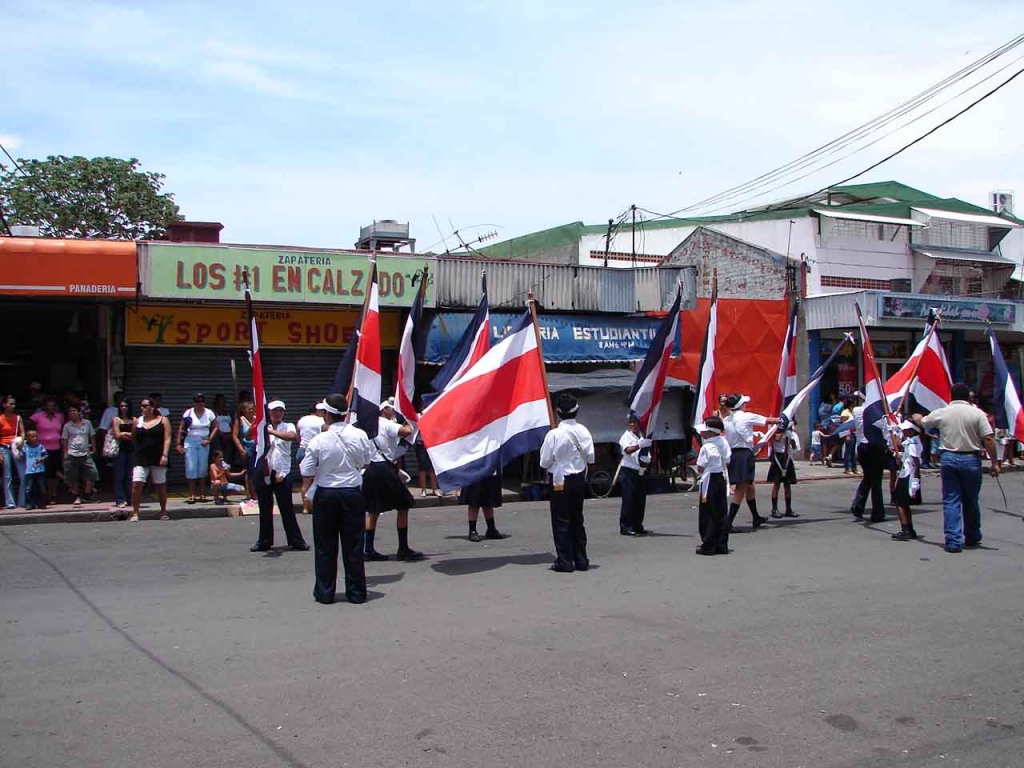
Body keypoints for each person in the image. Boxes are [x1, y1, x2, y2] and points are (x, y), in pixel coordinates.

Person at [300, 394, 374, 605]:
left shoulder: (319, 439)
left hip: (327, 494)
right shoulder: (359, 434)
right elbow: (367, 461)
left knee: (325, 545)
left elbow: (306, 469)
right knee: (353, 545)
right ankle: (357, 593)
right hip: (352, 492)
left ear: (327, 415)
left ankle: (325, 593)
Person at [916, 383, 999, 553]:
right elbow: (989, 438)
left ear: (951, 396)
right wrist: (994, 462)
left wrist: (917, 417)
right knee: (971, 500)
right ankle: (972, 535)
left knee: (951, 500)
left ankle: (953, 541)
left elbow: (924, 422)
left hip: (949, 459)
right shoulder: (977, 413)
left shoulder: (944, 412)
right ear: (968, 396)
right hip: (971, 459)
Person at [539, 394, 595, 573]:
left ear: (558, 413)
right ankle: (581, 559)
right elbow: (591, 458)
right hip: (578, 477)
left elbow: (544, 462)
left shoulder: (553, 434)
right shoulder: (584, 431)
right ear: (577, 411)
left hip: (559, 479)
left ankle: (565, 561)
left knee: (561, 520)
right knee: (577, 518)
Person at [362, 397, 420, 561]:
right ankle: (403, 548)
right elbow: (407, 432)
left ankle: (368, 549)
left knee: (373, 510)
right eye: (389, 408)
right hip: (384, 468)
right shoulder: (385, 423)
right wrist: (411, 422)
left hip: (371, 468)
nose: (392, 411)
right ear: (381, 410)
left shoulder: (365, 424)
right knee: (404, 505)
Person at [250, 400, 308, 552]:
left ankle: (296, 540)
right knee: (264, 507)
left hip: (283, 471)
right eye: (274, 410)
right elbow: (248, 434)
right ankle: (264, 541)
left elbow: (291, 436)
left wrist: (272, 432)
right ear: (268, 412)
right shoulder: (262, 426)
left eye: (280, 410)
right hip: (264, 470)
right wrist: (258, 423)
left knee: (286, 507)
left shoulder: (287, 426)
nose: (277, 413)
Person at [723, 393, 780, 532]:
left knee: (750, 486)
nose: (745, 404)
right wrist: (781, 419)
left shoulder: (727, 419)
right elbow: (768, 421)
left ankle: (756, 517)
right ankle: (728, 523)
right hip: (744, 453)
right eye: (744, 403)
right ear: (741, 405)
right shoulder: (746, 416)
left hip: (733, 453)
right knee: (741, 489)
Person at [130, 398, 171, 521]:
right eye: (141, 406)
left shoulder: (163, 420)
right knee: (137, 483)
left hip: (158, 456)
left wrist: (164, 455)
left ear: (152, 407)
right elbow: (134, 437)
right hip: (141, 457)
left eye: (145, 406)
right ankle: (135, 512)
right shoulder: (137, 421)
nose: (142, 408)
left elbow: (167, 438)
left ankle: (163, 511)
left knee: (160, 484)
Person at [695, 417, 731, 556]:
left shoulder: (707, 447)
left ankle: (708, 545)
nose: (701, 434)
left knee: (708, 513)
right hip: (721, 478)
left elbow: (700, 468)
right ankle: (721, 544)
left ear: (710, 433)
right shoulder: (724, 442)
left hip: (709, 479)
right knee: (721, 512)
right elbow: (727, 460)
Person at [850, 393, 888, 523]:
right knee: (876, 481)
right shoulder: (877, 411)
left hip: (862, 446)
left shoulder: (857, 410)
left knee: (868, 478)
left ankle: (858, 505)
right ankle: (877, 513)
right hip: (875, 446)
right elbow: (884, 428)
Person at [176, 393, 219, 503]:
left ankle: (202, 494)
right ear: (194, 402)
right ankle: (192, 494)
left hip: (203, 441)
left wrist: (209, 439)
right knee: (191, 467)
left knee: (202, 467)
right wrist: (178, 444)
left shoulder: (209, 413)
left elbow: (215, 427)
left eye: (201, 401)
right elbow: (181, 429)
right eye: (197, 402)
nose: (199, 404)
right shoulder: (189, 412)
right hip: (190, 441)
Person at [618, 411, 652, 536]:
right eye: (630, 422)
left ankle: (637, 524)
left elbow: (646, 453)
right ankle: (626, 526)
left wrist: (647, 460)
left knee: (640, 499)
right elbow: (627, 450)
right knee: (629, 498)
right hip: (629, 471)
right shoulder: (626, 436)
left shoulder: (642, 436)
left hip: (641, 470)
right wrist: (639, 445)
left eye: (635, 422)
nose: (632, 425)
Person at [892, 420, 923, 541]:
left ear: (912, 430)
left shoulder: (914, 442)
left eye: (906, 429)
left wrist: (915, 479)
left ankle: (905, 530)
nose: (903, 431)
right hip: (906, 473)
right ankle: (909, 529)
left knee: (900, 504)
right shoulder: (910, 442)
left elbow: (916, 461)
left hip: (908, 476)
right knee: (904, 504)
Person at [61, 403, 97, 506]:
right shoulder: (67, 426)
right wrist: (65, 453)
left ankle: (87, 495)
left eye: (74, 411)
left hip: (85, 453)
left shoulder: (87, 423)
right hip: (72, 453)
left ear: (79, 412)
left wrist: (94, 449)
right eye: (70, 411)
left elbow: (92, 436)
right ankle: (76, 496)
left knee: (92, 473)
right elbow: (65, 440)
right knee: (73, 476)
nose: (72, 413)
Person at [30, 397, 64, 504]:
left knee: (54, 474)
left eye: (53, 405)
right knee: (43, 473)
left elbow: (62, 431)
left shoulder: (59, 417)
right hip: (42, 449)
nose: (51, 407)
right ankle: (42, 495)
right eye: (49, 405)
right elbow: (29, 427)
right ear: (44, 406)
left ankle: (52, 495)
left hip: (56, 448)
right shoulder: (37, 417)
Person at [461, 471, 508, 542]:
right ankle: (472, 530)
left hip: (490, 467)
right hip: (475, 468)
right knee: (474, 499)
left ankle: (491, 529)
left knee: (489, 498)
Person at [296, 404, 326, 514]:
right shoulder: (322, 421)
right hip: (315, 452)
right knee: (318, 480)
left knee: (305, 482)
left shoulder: (302, 420)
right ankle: (315, 505)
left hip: (302, 450)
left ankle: (305, 507)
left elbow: (298, 436)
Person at [1, 395, 27, 509]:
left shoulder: (18, 418)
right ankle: (10, 503)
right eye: (10, 403)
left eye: (14, 404)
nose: (13, 406)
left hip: (16, 447)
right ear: (4, 405)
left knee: (23, 475)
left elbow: (22, 432)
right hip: (4, 447)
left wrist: (21, 440)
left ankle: (22, 501)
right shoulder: (0, 418)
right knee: (7, 476)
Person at [767, 426, 799, 518]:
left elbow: (794, 447)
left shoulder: (789, 432)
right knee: (776, 484)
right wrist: (784, 431)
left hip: (787, 456)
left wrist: (792, 438)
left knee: (787, 484)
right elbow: (777, 439)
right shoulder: (775, 429)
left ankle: (788, 509)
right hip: (778, 457)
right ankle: (774, 509)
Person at [232, 400, 259, 506]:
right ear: (244, 410)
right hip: (248, 448)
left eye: (253, 408)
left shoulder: (257, 419)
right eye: (249, 409)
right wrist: (241, 449)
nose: (252, 410)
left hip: (258, 448)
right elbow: (234, 436)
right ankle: (252, 495)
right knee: (251, 472)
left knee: (260, 471)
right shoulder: (240, 421)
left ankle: (260, 493)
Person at [110, 399, 135, 510]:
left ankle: (130, 499)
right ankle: (119, 499)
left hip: (131, 449)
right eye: (121, 406)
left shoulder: (134, 420)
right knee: (119, 475)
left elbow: (136, 435)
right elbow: (117, 435)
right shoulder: (116, 420)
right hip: (120, 449)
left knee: (130, 475)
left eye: (125, 405)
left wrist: (125, 433)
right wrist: (126, 434)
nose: (123, 407)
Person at [22, 429, 48, 510]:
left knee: (41, 488)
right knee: (28, 488)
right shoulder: (25, 447)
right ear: (28, 438)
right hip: (29, 471)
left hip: (40, 470)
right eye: (32, 436)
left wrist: (41, 459)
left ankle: (41, 503)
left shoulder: (40, 446)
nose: (35, 438)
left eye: (36, 436)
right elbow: (20, 453)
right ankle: (29, 504)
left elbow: (46, 455)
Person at [413, 430, 439, 498]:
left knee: (432, 466)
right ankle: (423, 490)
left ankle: (435, 489)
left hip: (431, 441)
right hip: (420, 442)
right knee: (422, 467)